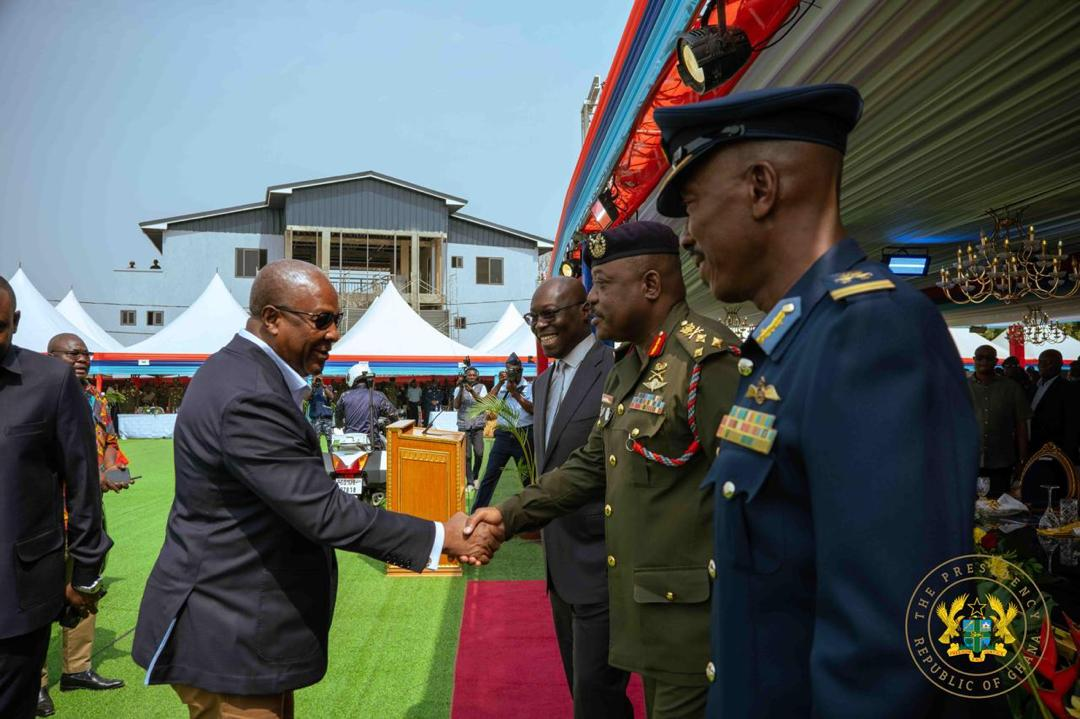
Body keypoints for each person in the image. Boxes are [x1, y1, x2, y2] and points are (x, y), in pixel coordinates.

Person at [654, 84, 977, 717]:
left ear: (761, 187)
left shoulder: (873, 333)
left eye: (692, 207)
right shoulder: (792, 344)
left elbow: (890, 658)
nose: (687, 239)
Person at [131, 260, 500, 718]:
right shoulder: (247, 392)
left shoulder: (247, 376)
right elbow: (322, 511)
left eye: (336, 321)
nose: (333, 334)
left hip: (247, 633)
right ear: (272, 318)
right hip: (230, 637)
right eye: (321, 320)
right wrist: (440, 537)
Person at [468, 222, 741, 718]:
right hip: (652, 610)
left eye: (604, 285)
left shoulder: (706, 361)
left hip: (698, 620)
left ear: (651, 286)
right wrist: (508, 515)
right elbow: (589, 466)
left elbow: (750, 499)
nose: (591, 299)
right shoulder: (630, 367)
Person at [0, 277, 111, 719]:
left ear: (17, 323)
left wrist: (85, 575)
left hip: (18, 592)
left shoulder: (50, 382)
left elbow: (83, 484)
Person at [527, 276, 628, 718]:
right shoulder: (543, 384)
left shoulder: (620, 370)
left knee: (597, 699)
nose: (540, 326)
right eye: (535, 317)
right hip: (559, 566)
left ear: (585, 311)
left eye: (550, 314)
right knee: (580, 692)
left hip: (604, 564)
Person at [36, 335, 127, 716]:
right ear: (50, 357)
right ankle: (34, 683)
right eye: (73, 354)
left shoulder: (97, 399)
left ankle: (78, 669)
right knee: (39, 597)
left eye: (86, 354)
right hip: (45, 515)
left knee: (86, 587)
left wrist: (109, 466)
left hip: (88, 515)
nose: (82, 360)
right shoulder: (36, 396)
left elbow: (109, 441)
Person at [471, 353, 534, 510]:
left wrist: (515, 394)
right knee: (490, 476)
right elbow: (486, 403)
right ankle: (476, 512)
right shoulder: (502, 387)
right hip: (503, 436)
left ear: (521, 371)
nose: (511, 373)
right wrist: (500, 383)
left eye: (514, 370)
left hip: (523, 436)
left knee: (527, 478)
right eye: (508, 370)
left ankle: (534, 514)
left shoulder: (530, 387)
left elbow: (533, 409)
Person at [969, 344, 1029, 496]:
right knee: (968, 511)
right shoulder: (961, 387)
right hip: (968, 461)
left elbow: (1021, 426)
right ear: (974, 360)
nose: (984, 361)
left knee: (1000, 509)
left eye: (988, 358)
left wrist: (1023, 461)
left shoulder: (1011, 388)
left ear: (996, 361)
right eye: (980, 357)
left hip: (1001, 461)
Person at [1030, 348, 1079, 461]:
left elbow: (1072, 423)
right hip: (1034, 446)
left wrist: (1066, 453)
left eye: (1050, 362)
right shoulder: (1034, 386)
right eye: (1041, 361)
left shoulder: (1069, 389)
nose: (1044, 365)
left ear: (1060, 365)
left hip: (1057, 449)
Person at [335, 371, 397, 446]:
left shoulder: (344, 396)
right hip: (372, 443)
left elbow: (338, 419)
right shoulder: (378, 395)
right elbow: (394, 415)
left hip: (350, 442)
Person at [453, 366, 488, 487]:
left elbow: (483, 402)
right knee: (467, 455)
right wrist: (462, 388)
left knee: (479, 452)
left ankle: (476, 475)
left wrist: (472, 391)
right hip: (464, 424)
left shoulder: (482, 387)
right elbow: (456, 405)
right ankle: (469, 481)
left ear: (477, 376)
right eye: (469, 375)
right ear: (465, 377)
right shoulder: (459, 388)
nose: (471, 377)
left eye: (474, 375)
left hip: (478, 424)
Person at [305, 375, 335, 449]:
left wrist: (323, 386)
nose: (317, 381)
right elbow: (307, 398)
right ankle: (316, 459)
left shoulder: (327, 387)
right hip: (315, 419)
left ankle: (331, 458)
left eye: (319, 379)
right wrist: (312, 386)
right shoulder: (311, 388)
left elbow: (332, 397)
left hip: (327, 419)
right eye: (316, 379)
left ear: (322, 378)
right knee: (315, 442)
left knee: (330, 442)